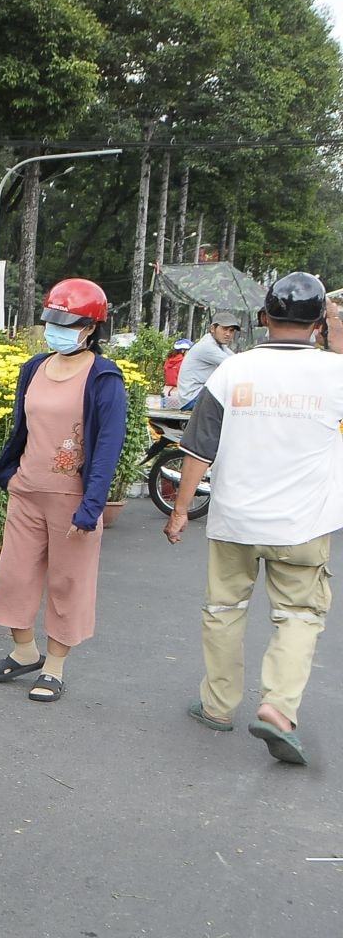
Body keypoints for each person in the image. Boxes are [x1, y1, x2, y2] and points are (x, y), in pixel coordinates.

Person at [164, 272, 343, 766]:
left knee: (223, 611)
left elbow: (198, 449)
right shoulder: (337, 374)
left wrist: (179, 512)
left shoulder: (232, 370)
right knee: (300, 616)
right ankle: (278, 709)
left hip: (234, 521)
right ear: (317, 325)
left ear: (263, 318)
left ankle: (218, 706)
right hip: (304, 527)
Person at [0, 278, 127, 703]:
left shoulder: (104, 377)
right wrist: (9, 474)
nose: (57, 330)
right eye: (52, 322)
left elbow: (107, 447)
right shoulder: (35, 367)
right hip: (26, 491)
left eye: (68, 323)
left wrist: (92, 505)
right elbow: (22, 427)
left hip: (73, 498)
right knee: (15, 575)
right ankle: (24, 650)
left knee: (68, 582)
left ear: (91, 328)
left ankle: (55, 666)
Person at [175, 311, 240, 405]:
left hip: (201, 395)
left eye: (231, 330)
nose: (228, 334)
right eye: (224, 329)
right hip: (192, 398)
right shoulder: (206, 346)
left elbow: (238, 360)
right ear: (213, 328)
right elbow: (234, 364)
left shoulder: (220, 346)